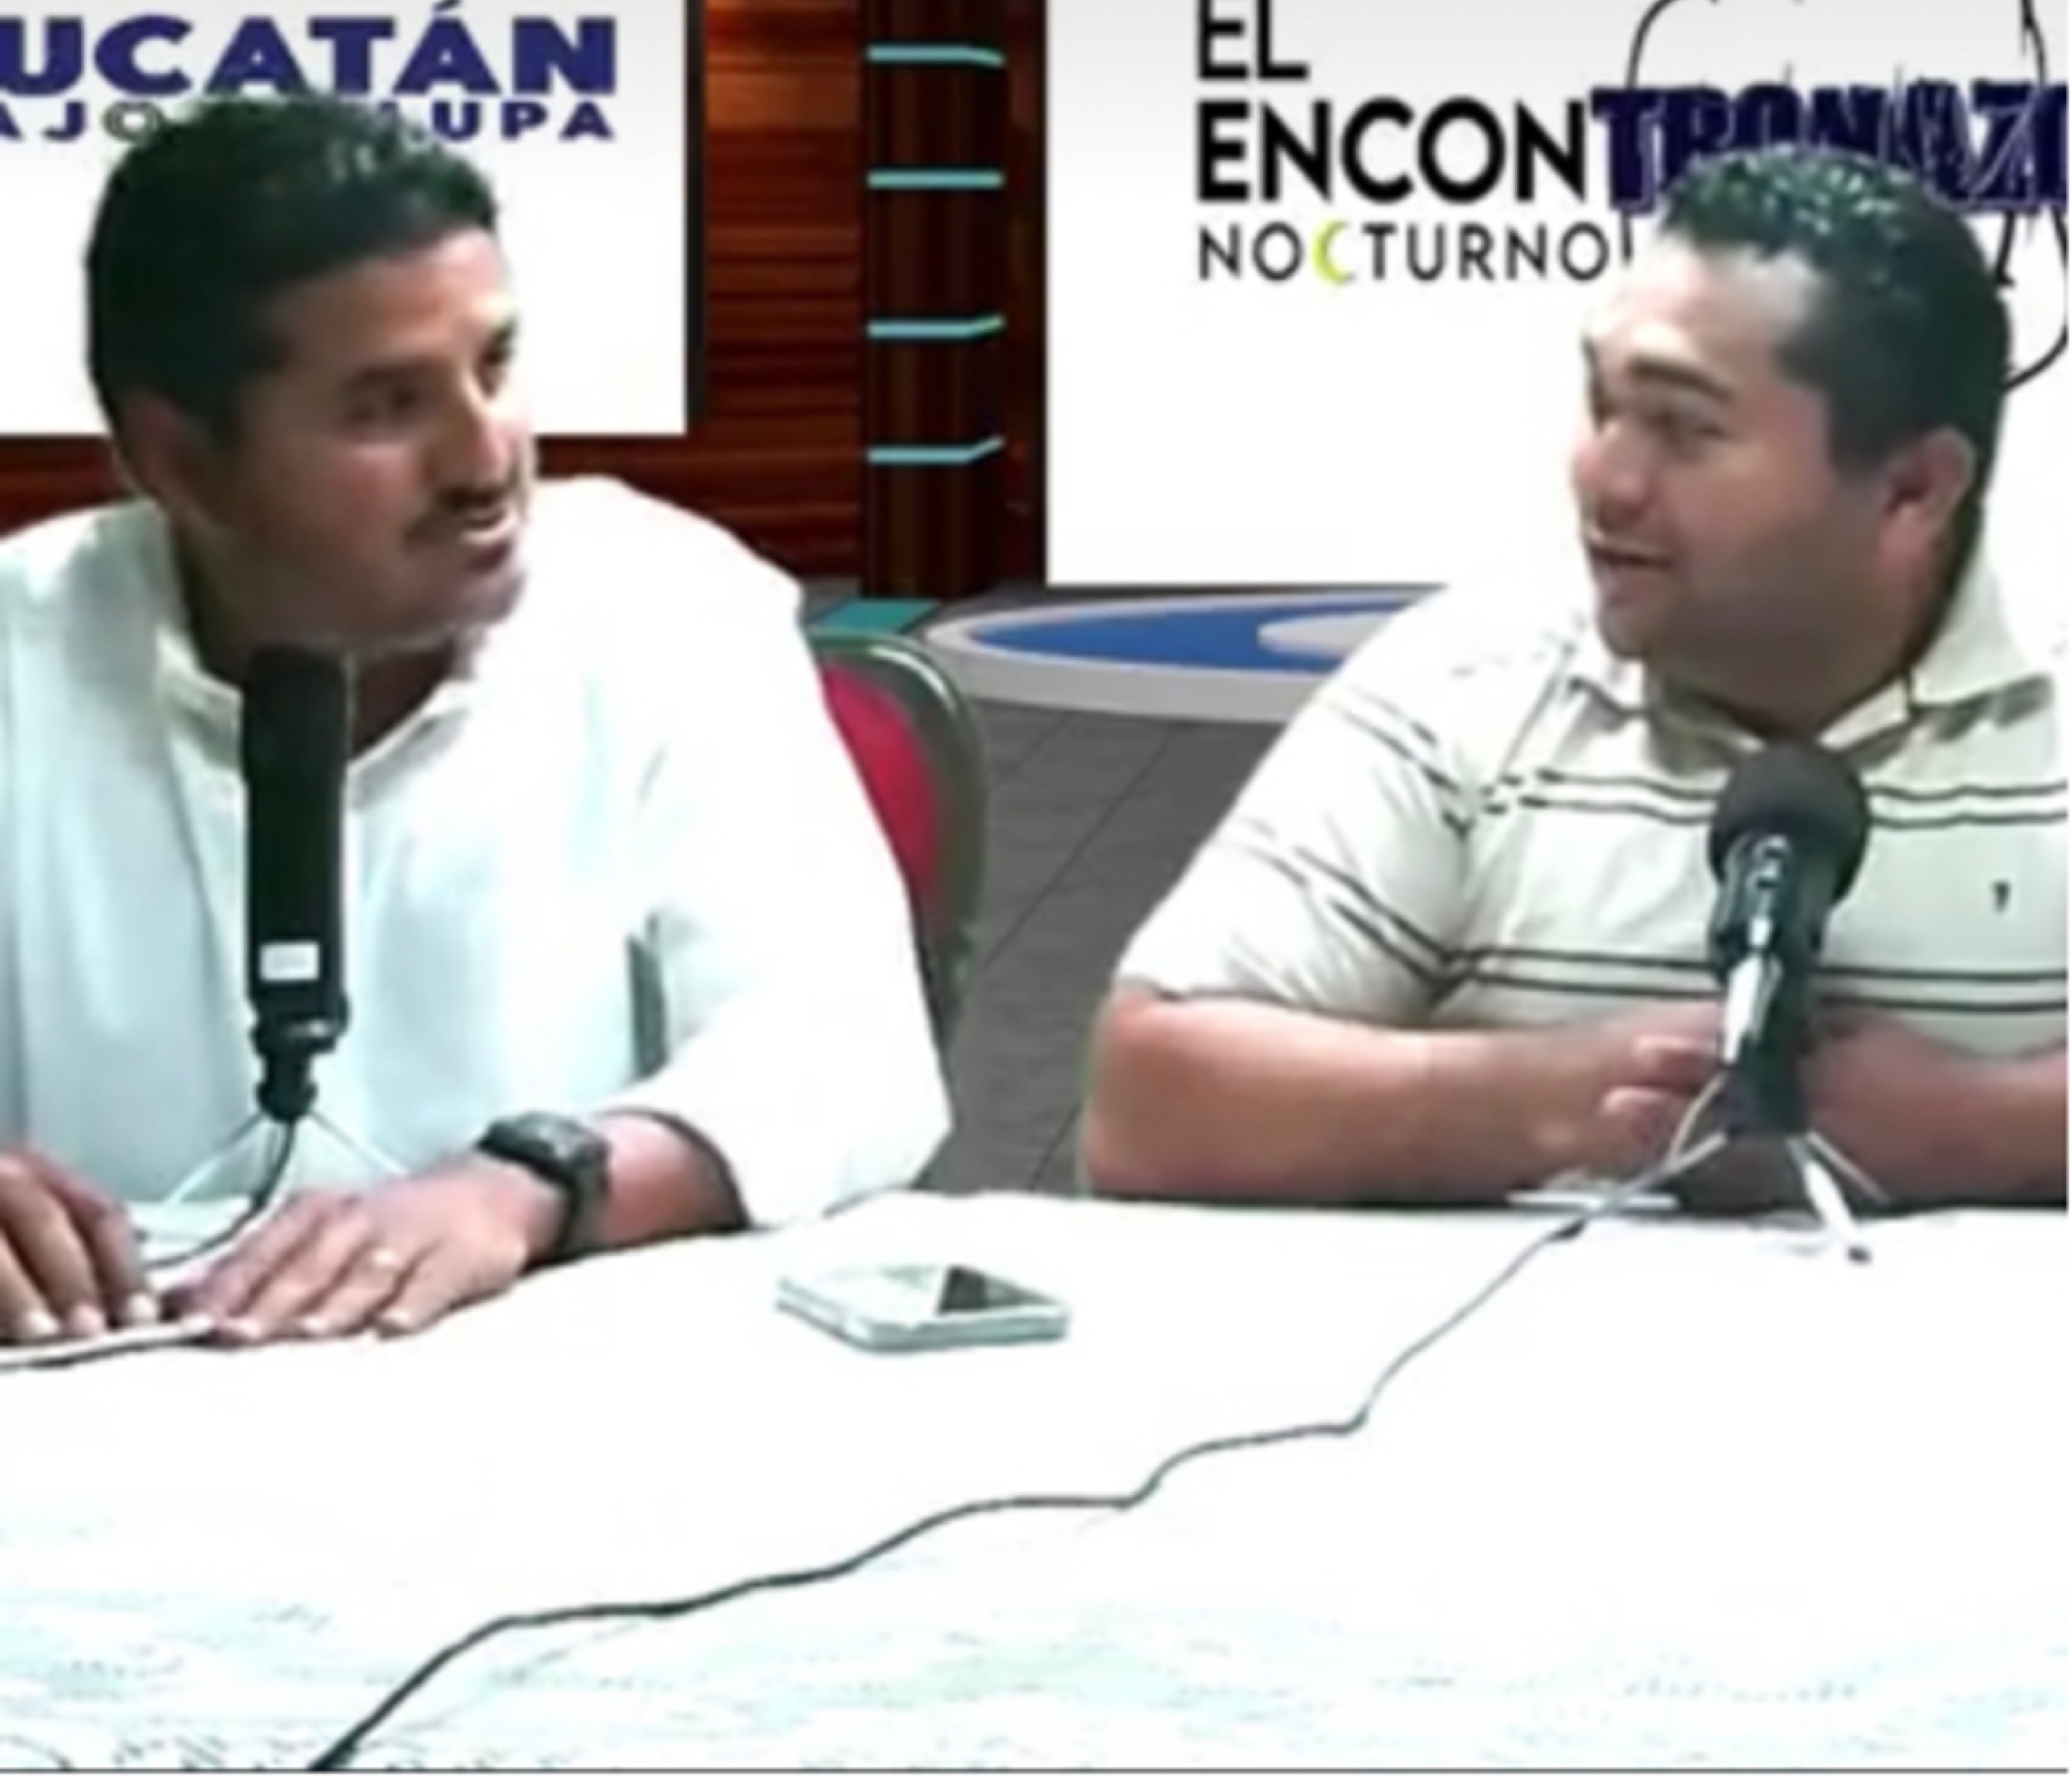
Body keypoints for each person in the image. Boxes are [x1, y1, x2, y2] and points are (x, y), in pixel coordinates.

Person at [0, 93, 948, 1349]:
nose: (485, 460)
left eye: (494, 367)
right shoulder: (23, 651)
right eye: (388, 406)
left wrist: (531, 1185)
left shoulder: (667, 606)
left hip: (570, 1399)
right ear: (180, 461)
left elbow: (845, 1057)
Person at [1083, 146, 2065, 1215]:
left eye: (1686, 429)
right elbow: (1146, 1106)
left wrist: (1985, 1127)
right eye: (1604, 407)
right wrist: (1562, 1099)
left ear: (1913, 488)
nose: (1606, 480)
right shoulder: (1462, 687)